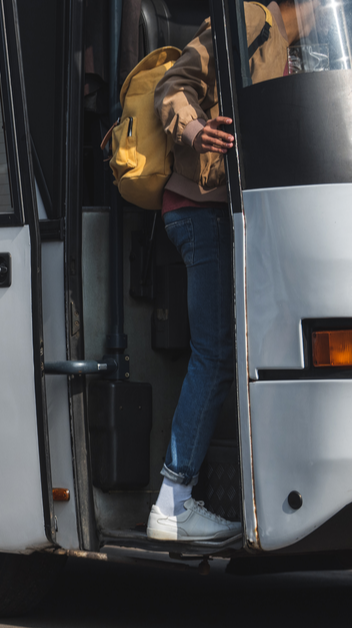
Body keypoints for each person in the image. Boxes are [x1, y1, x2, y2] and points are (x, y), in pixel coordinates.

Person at [148, 0, 315, 542]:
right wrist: (197, 132)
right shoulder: (249, 17)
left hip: (230, 211)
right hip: (200, 210)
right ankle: (172, 501)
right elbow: (173, 86)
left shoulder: (294, 47)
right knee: (216, 352)